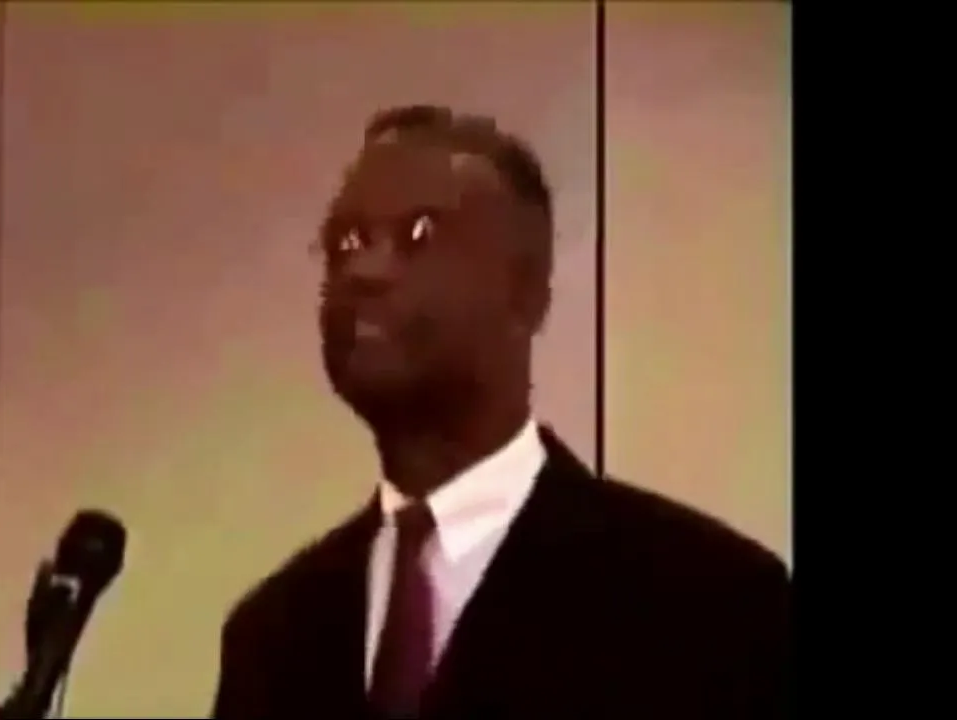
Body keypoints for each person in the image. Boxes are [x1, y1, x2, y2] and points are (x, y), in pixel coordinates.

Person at [211, 105, 790, 719]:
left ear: (526, 290)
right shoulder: (272, 633)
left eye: (419, 236)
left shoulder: (710, 601)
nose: (364, 271)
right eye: (346, 243)